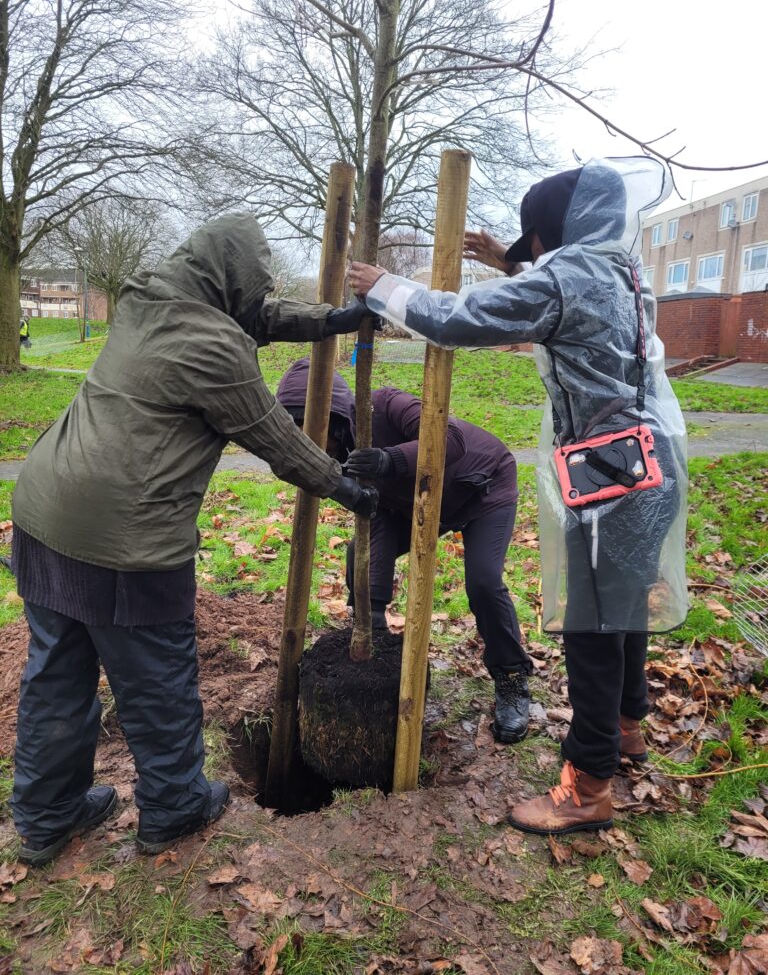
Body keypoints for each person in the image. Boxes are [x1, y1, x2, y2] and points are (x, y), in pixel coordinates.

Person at [10, 214, 378, 865]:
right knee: (156, 682)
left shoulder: (149, 298)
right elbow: (272, 435)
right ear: (232, 279)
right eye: (253, 285)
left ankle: (47, 815)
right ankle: (176, 807)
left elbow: (254, 314)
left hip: (45, 512)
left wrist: (329, 321)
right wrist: (342, 485)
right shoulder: (213, 348)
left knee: (57, 674)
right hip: (127, 539)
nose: (257, 300)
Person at [348, 157, 688, 836]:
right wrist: (513, 261)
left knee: (593, 628)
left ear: (545, 237)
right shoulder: (623, 271)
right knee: (623, 609)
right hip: (655, 464)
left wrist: (381, 285)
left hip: (612, 475)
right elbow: (554, 297)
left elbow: (455, 319)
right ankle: (626, 729)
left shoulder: (566, 277)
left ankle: (585, 787)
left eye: (531, 241)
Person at [276, 358, 533, 743]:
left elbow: (451, 438)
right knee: (360, 560)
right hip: (406, 504)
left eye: (313, 424)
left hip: (480, 487)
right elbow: (372, 514)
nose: (308, 437)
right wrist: (372, 610)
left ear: (337, 413)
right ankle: (373, 637)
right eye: (296, 429)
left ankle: (511, 677)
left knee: (482, 582)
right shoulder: (326, 458)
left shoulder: (386, 404)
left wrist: (389, 459)